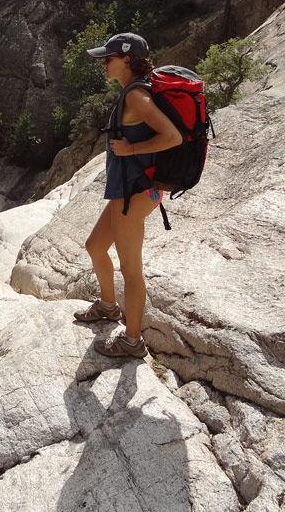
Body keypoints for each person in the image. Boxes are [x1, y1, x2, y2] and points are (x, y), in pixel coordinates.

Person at [73, 33, 181, 358]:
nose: (104, 64)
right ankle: (108, 306)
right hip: (127, 191)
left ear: (126, 59)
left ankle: (133, 341)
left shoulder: (136, 97)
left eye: (108, 59)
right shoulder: (133, 92)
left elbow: (172, 136)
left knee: (131, 271)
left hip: (135, 194)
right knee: (95, 246)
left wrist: (132, 148)